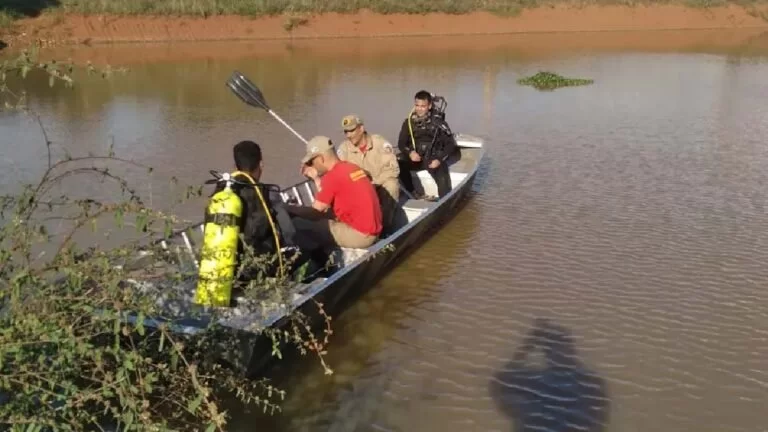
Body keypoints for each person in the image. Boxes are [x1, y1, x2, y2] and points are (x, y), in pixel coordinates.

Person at [209, 140, 305, 279]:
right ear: (261, 164)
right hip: (261, 269)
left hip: (228, 271)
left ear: (235, 167)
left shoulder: (221, 193)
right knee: (306, 252)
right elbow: (289, 232)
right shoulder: (266, 194)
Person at [286, 135, 382, 251]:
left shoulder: (332, 177)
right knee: (325, 215)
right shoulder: (351, 167)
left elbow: (314, 212)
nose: (312, 166)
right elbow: (326, 198)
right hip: (373, 230)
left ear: (320, 158)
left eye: (311, 162)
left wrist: (287, 209)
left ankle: (316, 257)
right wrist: (316, 178)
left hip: (361, 236)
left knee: (297, 224)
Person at [336, 114, 400, 233]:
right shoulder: (343, 149)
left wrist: (373, 185)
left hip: (380, 186)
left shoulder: (379, 143)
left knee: (392, 185)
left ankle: (385, 228)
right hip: (359, 191)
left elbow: (393, 170)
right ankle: (352, 230)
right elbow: (338, 174)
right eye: (346, 132)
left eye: (351, 130)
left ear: (361, 128)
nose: (348, 135)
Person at [396, 90, 458, 200]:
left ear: (429, 106)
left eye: (423, 106)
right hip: (416, 158)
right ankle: (412, 191)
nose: (419, 109)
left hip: (433, 159)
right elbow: (401, 143)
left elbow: (450, 144)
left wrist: (439, 159)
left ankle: (444, 200)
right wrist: (410, 153)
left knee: (442, 176)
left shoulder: (439, 123)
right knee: (398, 161)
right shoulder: (408, 123)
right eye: (417, 105)